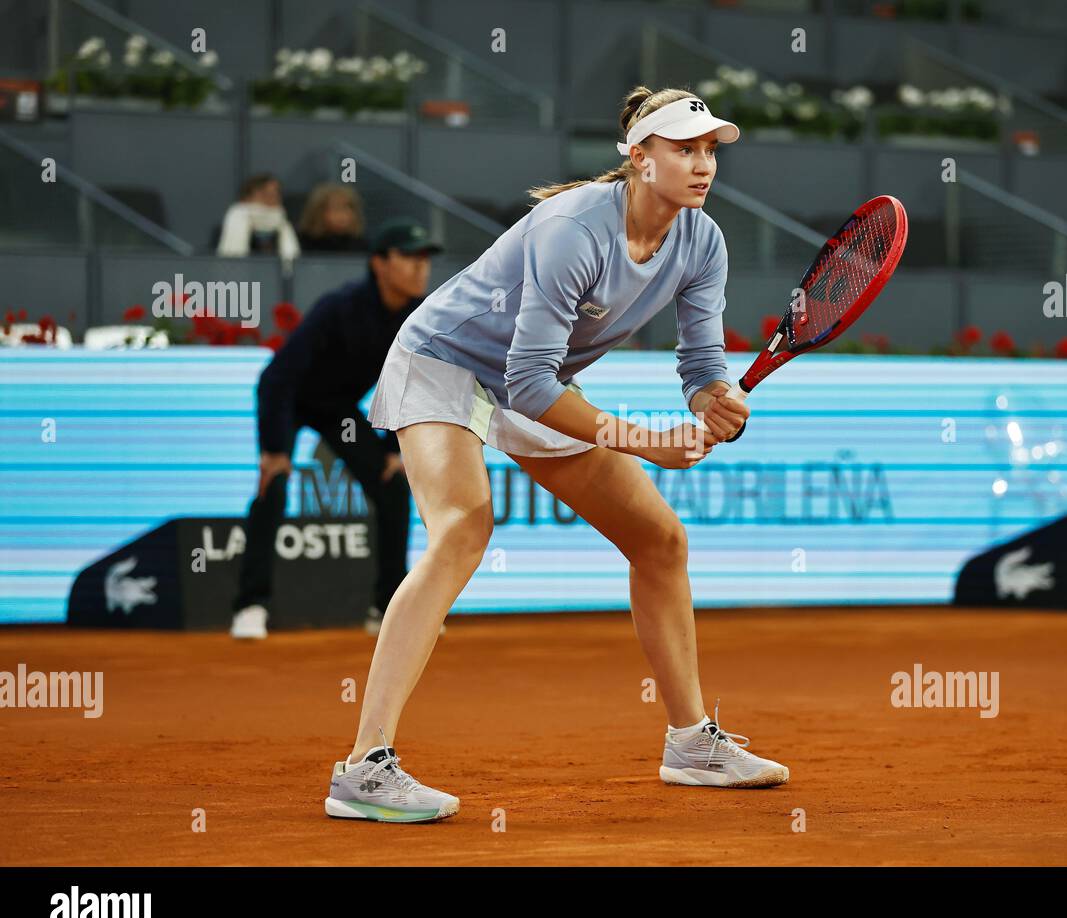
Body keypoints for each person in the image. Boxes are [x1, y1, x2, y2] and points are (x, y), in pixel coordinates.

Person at [324, 86, 785, 826]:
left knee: (659, 540)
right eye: (684, 149)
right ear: (639, 158)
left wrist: (714, 402)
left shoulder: (703, 240)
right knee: (464, 528)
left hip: (532, 384)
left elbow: (701, 367)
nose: (703, 166)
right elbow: (530, 382)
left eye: (710, 151)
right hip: (444, 361)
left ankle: (691, 744)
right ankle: (363, 768)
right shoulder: (573, 228)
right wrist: (645, 441)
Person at [230, 218, 441, 641]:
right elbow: (277, 378)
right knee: (274, 486)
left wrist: (390, 448)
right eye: (408, 257)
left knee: (393, 485)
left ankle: (386, 610)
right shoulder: (338, 306)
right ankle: (250, 605)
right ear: (379, 264)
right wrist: (275, 449)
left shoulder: (418, 319)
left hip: (338, 411)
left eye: (425, 259)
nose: (421, 268)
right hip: (289, 400)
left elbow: (407, 385)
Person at [216, 173, 300, 264]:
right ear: (247, 197)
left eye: (276, 194)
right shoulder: (224, 230)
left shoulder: (288, 228)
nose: (272, 199)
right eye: (265, 194)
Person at [298, 184, 368, 253]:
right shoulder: (300, 244)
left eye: (347, 207)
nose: (342, 215)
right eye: (336, 207)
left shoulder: (361, 246)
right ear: (319, 212)